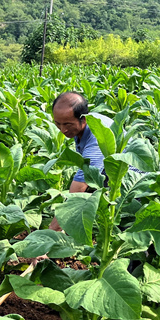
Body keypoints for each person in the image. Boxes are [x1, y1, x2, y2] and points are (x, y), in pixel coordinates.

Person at [48, 91, 114, 231]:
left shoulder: (98, 136)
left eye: (68, 124)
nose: (63, 130)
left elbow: (78, 188)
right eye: (57, 123)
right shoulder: (85, 126)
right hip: (109, 178)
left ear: (83, 119)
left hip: (133, 187)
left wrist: (51, 233)